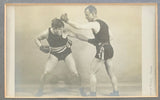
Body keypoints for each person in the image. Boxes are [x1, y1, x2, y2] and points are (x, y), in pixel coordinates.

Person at [61, 5, 119, 96]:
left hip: (103, 50)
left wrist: (67, 21)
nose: (86, 17)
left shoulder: (95, 23)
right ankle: (116, 92)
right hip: (109, 49)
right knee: (111, 73)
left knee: (92, 72)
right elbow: (111, 37)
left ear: (94, 14)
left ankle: (92, 94)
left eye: (87, 15)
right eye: (85, 15)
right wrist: (98, 41)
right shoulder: (104, 24)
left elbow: (79, 27)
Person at [34, 18, 83, 96]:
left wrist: (89, 40)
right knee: (46, 72)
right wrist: (40, 47)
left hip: (66, 52)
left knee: (75, 72)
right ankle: (40, 90)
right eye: (59, 29)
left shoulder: (65, 31)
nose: (61, 31)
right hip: (54, 54)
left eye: (61, 28)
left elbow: (77, 36)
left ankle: (81, 90)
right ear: (54, 29)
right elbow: (36, 38)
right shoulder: (47, 32)